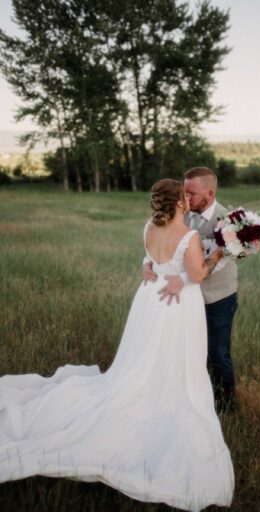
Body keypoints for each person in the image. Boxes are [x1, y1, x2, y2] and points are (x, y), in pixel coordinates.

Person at [0, 179, 234, 510]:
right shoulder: (190, 236)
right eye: (185, 196)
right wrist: (221, 251)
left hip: (151, 299)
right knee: (175, 355)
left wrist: (147, 266)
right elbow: (196, 274)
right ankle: (166, 393)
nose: (188, 199)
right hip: (177, 305)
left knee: (146, 354)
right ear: (180, 203)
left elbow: (149, 255)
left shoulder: (150, 226)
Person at [146, 167, 238, 412]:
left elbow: (219, 264)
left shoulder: (227, 220)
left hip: (217, 297)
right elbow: (161, 243)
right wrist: (147, 263)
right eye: (184, 193)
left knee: (218, 353)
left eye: (192, 194)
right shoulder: (179, 212)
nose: (186, 198)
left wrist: (183, 278)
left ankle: (226, 404)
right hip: (185, 300)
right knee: (188, 350)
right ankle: (194, 398)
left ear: (209, 193)